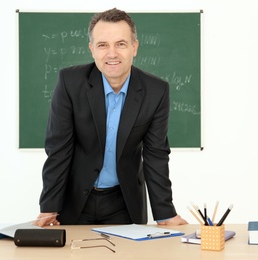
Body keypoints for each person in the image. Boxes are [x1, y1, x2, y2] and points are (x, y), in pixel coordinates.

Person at [34, 8, 187, 227]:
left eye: (121, 44)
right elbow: (58, 149)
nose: (112, 53)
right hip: (74, 201)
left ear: (134, 47)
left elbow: (156, 155)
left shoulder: (156, 91)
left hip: (124, 202)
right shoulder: (70, 83)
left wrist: (165, 213)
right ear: (92, 49)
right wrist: (49, 207)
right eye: (103, 45)